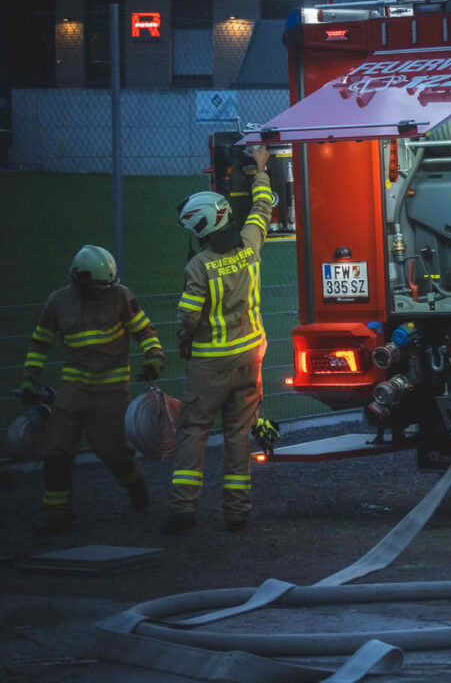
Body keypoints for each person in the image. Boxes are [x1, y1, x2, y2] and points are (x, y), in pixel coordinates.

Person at [163, 145, 276, 534]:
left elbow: (187, 317)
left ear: (202, 229)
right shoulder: (251, 244)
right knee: (238, 435)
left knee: (193, 431)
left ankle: (184, 509)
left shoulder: (199, 266)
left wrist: (184, 338)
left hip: (210, 365)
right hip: (249, 360)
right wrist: (260, 169)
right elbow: (262, 209)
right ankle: (237, 512)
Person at [21, 245, 163, 535]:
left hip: (111, 389)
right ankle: (57, 515)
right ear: (79, 280)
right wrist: (29, 378)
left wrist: (154, 359)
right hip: (73, 390)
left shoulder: (120, 296)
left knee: (112, 451)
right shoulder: (58, 301)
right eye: (99, 287)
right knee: (56, 449)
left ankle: (134, 482)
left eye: (107, 286)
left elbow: (143, 331)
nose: (104, 292)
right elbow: (40, 342)